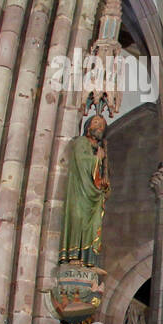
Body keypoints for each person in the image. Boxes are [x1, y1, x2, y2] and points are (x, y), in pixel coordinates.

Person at [59, 114, 110, 267]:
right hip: (80, 192)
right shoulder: (81, 142)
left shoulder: (100, 149)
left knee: (94, 226)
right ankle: (74, 256)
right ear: (88, 126)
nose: (99, 127)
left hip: (94, 196)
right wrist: (97, 159)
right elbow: (81, 161)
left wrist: (104, 183)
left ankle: (89, 261)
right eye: (96, 122)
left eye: (102, 125)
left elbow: (101, 177)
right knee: (78, 219)